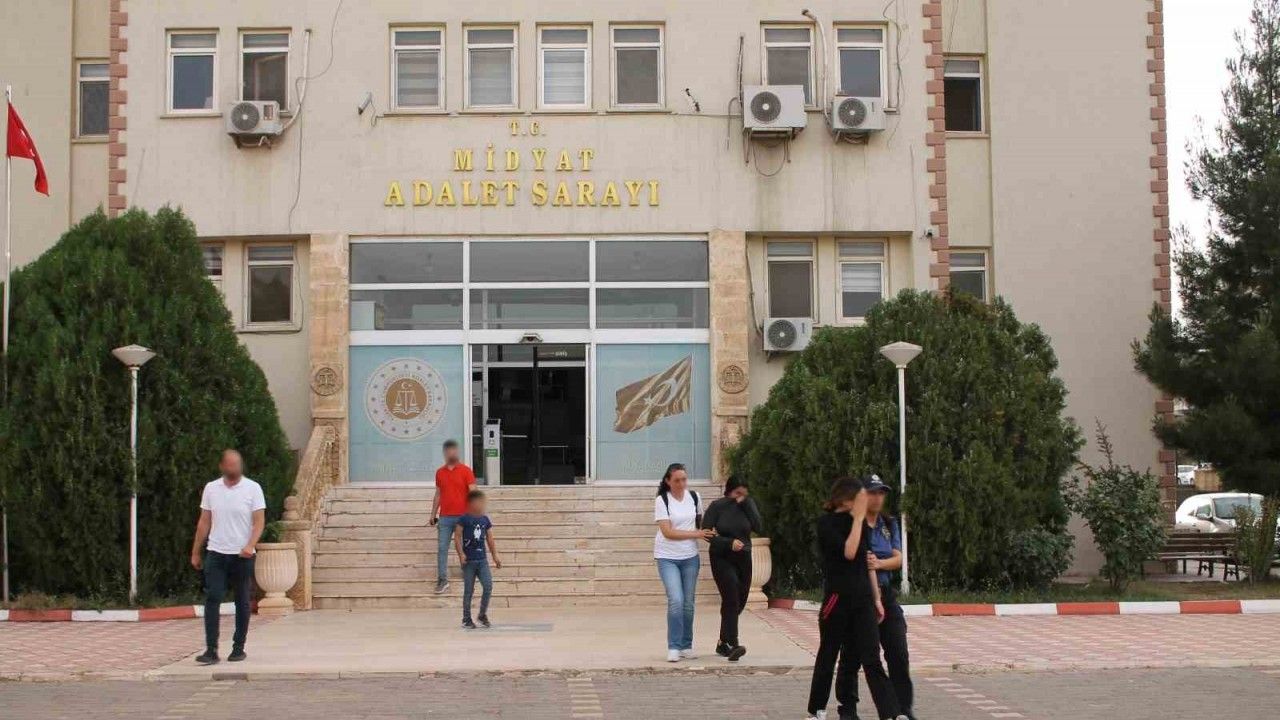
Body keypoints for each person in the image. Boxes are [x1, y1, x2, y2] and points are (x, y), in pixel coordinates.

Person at [807, 476, 906, 720]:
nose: (866, 502)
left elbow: (866, 561)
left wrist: (876, 599)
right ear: (845, 499)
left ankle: (891, 713)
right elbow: (849, 553)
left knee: (872, 657)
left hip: (862, 599)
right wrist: (859, 519)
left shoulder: (858, 524)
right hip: (837, 599)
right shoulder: (827, 523)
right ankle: (817, 709)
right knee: (829, 653)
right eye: (860, 498)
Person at [845, 475, 915, 720]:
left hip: (886, 594)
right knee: (855, 656)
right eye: (872, 493)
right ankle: (848, 709)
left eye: (881, 493)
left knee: (898, 652)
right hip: (860, 596)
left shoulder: (888, 523)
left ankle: (903, 708)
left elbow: (898, 559)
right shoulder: (854, 523)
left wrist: (879, 564)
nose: (877, 498)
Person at [190, 449, 266, 665]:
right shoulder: (211, 489)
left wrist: (250, 545)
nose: (234, 468)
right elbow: (204, 521)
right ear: (222, 466)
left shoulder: (253, 488)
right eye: (230, 464)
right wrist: (196, 551)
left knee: (242, 599)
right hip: (216, 552)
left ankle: (238, 647)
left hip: (242, 555)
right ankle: (211, 650)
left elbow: (259, 521)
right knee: (213, 597)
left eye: (237, 464)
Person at [654, 462, 715, 663]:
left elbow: (701, 524)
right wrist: (696, 534)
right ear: (668, 481)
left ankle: (686, 646)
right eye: (677, 480)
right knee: (676, 600)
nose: (681, 484)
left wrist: (711, 531)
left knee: (688, 603)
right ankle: (673, 646)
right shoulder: (662, 500)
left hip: (690, 557)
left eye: (684, 479)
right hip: (667, 557)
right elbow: (668, 532)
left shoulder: (695, 497)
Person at [701, 475, 762, 662]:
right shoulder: (717, 506)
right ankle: (733, 644)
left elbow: (759, 527)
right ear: (729, 491)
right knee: (731, 597)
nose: (740, 497)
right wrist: (728, 543)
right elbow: (706, 533)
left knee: (740, 600)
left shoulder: (748, 505)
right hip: (722, 557)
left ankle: (723, 642)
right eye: (737, 493)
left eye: (744, 493)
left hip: (744, 557)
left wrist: (747, 504)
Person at [430, 439, 475, 594]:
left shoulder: (466, 471)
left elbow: (473, 492)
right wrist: (433, 514)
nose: (451, 453)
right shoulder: (440, 473)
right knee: (442, 548)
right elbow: (438, 494)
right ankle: (442, 580)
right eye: (449, 451)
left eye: (454, 450)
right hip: (445, 518)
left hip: (463, 517)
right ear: (445, 453)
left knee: (463, 546)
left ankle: (467, 572)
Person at [454, 489, 502, 629]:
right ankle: (466, 618)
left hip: (482, 561)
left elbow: (490, 538)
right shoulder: (463, 519)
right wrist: (461, 554)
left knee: (488, 586)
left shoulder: (485, 520)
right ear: (471, 503)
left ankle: (482, 614)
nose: (482, 505)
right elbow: (457, 536)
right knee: (469, 590)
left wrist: (495, 555)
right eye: (479, 502)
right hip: (469, 562)